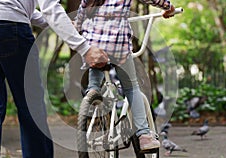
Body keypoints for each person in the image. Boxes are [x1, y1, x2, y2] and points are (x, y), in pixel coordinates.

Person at [0, 0, 109, 158]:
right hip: (8, 26)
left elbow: (23, 8)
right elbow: (49, 6)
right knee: (30, 106)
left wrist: (59, 23)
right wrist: (85, 49)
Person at [75, 0, 175, 151]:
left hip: (93, 48)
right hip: (117, 47)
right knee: (131, 88)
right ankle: (144, 136)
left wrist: (76, 28)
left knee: (94, 77)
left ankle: (92, 95)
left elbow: (81, 14)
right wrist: (169, 8)